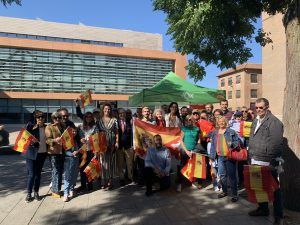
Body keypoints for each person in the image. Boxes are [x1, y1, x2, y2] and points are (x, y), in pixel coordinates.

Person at [248, 98, 284, 225]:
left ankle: (278, 215)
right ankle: (263, 209)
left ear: (267, 107)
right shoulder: (256, 120)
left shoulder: (274, 122)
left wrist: (273, 163)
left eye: (261, 108)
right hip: (255, 158)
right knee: (259, 186)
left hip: (267, 161)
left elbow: (277, 145)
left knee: (274, 189)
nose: (258, 110)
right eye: (256, 107)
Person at [209, 116, 240, 202]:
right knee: (222, 175)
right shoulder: (214, 133)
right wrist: (211, 157)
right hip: (220, 157)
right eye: (220, 121)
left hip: (229, 157)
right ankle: (225, 191)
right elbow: (213, 146)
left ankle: (234, 194)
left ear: (226, 122)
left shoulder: (231, 132)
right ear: (217, 123)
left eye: (223, 121)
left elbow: (237, 142)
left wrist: (232, 145)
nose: (221, 122)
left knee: (232, 176)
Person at [24, 110, 48, 203]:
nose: (40, 119)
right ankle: (29, 193)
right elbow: (25, 136)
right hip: (31, 154)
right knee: (32, 175)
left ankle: (36, 192)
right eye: (38, 117)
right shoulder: (30, 126)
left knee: (38, 175)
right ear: (35, 118)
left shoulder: (46, 127)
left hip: (42, 154)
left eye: (42, 117)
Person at [97, 103, 119, 189]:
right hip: (102, 144)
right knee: (103, 162)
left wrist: (117, 142)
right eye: (106, 109)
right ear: (103, 110)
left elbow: (117, 132)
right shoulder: (99, 121)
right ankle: (104, 181)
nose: (107, 110)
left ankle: (110, 181)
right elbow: (96, 133)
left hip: (112, 144)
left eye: (109, 109)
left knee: (111, 162)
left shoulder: (114, 120)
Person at [177, 115, 201, 192]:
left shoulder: (197, 129)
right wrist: (187, 151)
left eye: (190, 120)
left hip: (194, 150)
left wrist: (196, 150)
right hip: (185, 150)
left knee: (195, 166)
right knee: (182, 166)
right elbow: (181, 140)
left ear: (193, 120)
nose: (189, 121)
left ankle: (193, 182)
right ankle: (179, 183)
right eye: (187, 120)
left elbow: (198, 140)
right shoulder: (184, 129)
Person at [78, 112, 100, 192]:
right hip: (83, 151)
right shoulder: (80, 127)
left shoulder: (95, 127)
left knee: (90, 168)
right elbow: (78, 138)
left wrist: (96, 151)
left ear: (92, 118)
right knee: (82, 168)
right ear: (84, 118)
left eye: (90, 116)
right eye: (86, 116)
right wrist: (81, 139)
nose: (88, 118)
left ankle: (90, 185)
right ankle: (83, 185)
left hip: (91, 150)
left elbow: (97, 139)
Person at [45, 112, 66, 198]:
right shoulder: (49, 127)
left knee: (60, 171)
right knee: (55, 171)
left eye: (59, 118)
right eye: (55, 118)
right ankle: (54, 190)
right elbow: (47, 140)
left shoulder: (63, 126)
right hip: (54, 152)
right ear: (52, 118)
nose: (57, 119)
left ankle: (58, 189)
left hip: (62, 151)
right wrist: (54, 140)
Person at [117, 108, 134, 185]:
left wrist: (132, 145)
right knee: (120, 164)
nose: (122, 114)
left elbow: (132, 135)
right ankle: (121, 178)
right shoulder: (115, 123)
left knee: (129, 163)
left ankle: (130, 177)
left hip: (128, 147)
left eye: (123, 113)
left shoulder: (129, 122)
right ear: (118, 114)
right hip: (119, 147)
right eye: (120, 113)